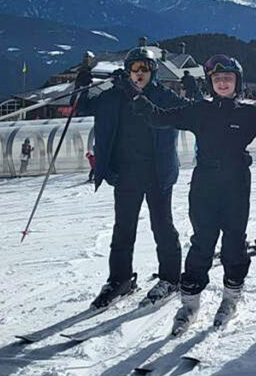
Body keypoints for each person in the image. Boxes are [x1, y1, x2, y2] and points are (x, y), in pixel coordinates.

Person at [133, 54, 256, 332]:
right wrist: (140, 103)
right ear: (209, 83)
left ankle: (231, 297)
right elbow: (160, 118)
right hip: (205, 182)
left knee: (234, 241)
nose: (222, 83)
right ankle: (190, 304)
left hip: (236, 183)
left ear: (236, 82)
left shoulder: (249, 114)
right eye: (217, 79)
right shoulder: (198, 111)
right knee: (202, 241)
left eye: (228, 78)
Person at [74, 46, 188, 310]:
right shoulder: (114, 96)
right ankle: (120, 279)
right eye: (134, 69)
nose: (139, 74)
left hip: (157, 173)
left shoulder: (162, 95)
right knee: (123, 230)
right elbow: (85, 108)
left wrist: (191, 89)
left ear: (153, 71)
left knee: (162, 227)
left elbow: (188, 112)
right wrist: (82, 85)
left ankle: (170, 277)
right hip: (125, 173)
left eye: (144, 69)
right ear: (127, 72)